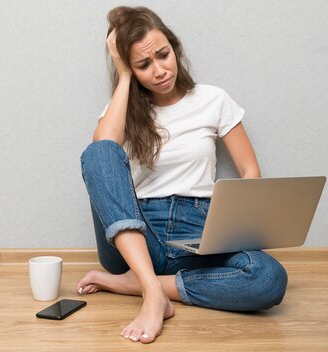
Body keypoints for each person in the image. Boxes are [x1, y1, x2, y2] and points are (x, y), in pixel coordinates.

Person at [76, 6, 287, 344]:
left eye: (163, 55)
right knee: (99, 151)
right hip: (138, 235)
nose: (159, 70)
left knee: (269, 278)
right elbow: (102, 152)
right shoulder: (122, 108)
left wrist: (240, 223)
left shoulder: (213, 99)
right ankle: (150, 287)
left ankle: (139, 285)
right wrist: (124, 76)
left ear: (175, 48)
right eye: (143, 65)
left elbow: (249, 170)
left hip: (200, 230)